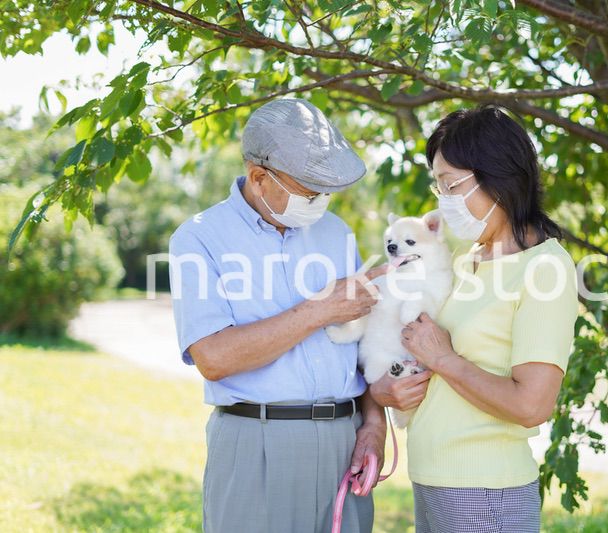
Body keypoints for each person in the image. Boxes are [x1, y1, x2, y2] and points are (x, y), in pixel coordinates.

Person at [168, 98, 387, 533]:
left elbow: (366, 340)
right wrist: (321, 309)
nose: (320, 201)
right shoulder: (198, 238)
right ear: (258, 177)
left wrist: (374, 424)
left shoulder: (337, 233)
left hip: (345, 440)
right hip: (257, 443)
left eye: (325, 191)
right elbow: (213, 357)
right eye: (309, 191)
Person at [372, 105, 579, 532]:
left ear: (499, 176)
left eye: (452, 185)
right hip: (432, 479)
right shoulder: (468, 260)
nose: (444, 200)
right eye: (439, 186)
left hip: (484, 491)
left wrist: (443, 359)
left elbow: (532, 405)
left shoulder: (545, 268)